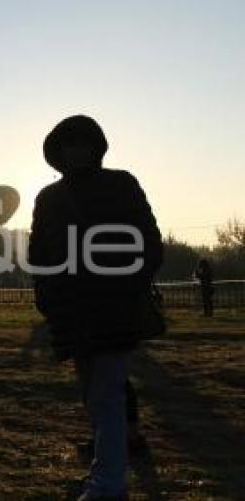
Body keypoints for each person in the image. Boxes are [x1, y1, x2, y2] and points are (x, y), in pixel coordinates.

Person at [28, 115, 163, 500]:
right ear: (58, 151)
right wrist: (48, 298)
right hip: (72, 311)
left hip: (111, 306)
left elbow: (149, 243)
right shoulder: (48, 198)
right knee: (95, 392)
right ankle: (107, 474)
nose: (77, 151)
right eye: (70, 144)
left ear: (97, 147)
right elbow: (41, 255)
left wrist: (127, 284)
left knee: (106, 392)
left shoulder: (122, 184)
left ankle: (107, 485)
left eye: (84, 143)